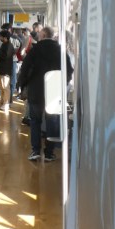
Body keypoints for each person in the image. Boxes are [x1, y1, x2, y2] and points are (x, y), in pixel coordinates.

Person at [18, 25, 73, 162]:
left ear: (42, 36)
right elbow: (69, 70)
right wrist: (62, 83)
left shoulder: (34, 51)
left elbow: (24, 70)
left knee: (35, 121)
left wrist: (22, 85)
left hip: (36, 92)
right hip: (54, 92)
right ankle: (49, 152)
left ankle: (35, 150)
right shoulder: (60, 51)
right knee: (52, 121)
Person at [0, 30, 15, 109]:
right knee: (2, 86)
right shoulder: (4, 44)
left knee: (5, 87)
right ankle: (2, 102)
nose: (0, 38)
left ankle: (6, 103)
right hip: (2, 69)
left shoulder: (9, 45)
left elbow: (5, 56)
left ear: (5, 37)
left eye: (1, 36)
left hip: (5, 69)